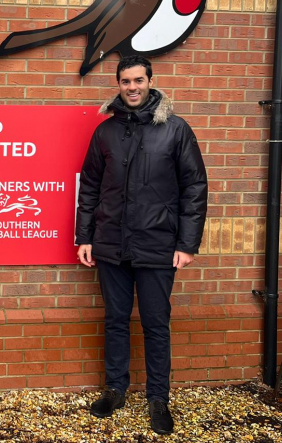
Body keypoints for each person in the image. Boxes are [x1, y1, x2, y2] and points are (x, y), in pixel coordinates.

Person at [75, 55, 207, 435]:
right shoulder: (105, 133)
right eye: (124, 81)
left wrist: (188, 243)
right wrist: (85, 236)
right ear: (118, 85)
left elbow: (195, 188)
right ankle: (115, 388)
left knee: (155, 323)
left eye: (137, 80)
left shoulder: (176, 129)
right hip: (111, 244)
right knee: (115, 320)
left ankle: (158, 398)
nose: (131, 87)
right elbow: (90, 188)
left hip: (158, 245)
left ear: (150, 80)